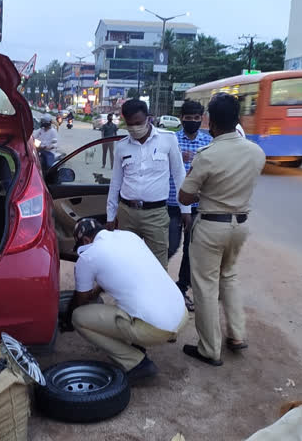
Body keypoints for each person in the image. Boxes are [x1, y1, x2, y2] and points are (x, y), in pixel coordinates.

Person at [177, 92, 266, 367]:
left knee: (204, 286)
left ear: (210, 123)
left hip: (211, 226)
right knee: (229, 276)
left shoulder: (207, 155)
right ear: (237, 120)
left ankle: (209, 349)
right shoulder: (256, 152)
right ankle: (237, 334)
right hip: (240, 226)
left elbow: (184, 197)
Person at [65, 218, 187, 384]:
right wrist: (99, 287)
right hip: (180, 313)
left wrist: (65, 317)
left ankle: (136, 363)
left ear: (85, 240)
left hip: (156, 328)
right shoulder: (129, 236)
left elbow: (81, 300)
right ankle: (137, 342)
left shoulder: (88, 257)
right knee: (125, 298)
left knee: (78, 317)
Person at [106, 99, 190, 269]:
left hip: (156, 214)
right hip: (127, 213)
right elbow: (115, 183)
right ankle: (129, 296)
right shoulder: (122, 146)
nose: (134, 128)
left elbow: (179, 174)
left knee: (157, 265)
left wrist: (185, 209)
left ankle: (156, 296)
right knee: (127, 263)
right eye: (130, 124)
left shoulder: (168, 139)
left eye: (138, 123)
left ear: (149, 118)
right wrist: (110, 215)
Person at [167, 100, 212, 312]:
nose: (192, 121)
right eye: (188, 118)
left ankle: (181, 288)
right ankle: (157, 284)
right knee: (170, 245)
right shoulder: (172, 141)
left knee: (190, 250)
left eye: (196, 118)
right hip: (172, 203)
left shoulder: (208, 142)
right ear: (181, 118)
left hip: (196, 205)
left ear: (201, 118)